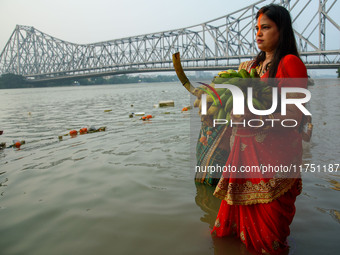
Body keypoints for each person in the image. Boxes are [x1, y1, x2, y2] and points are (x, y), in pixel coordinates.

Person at [211, 4, 309, 254]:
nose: (258, 33)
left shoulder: (290, 62)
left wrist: (252, 116)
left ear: (282, 30)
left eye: (266, 27)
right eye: (256, 28)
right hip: (244, 156)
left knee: (270, 241)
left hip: (274, 161)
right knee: (232, 232)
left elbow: (293, 116)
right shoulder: (252, 66)